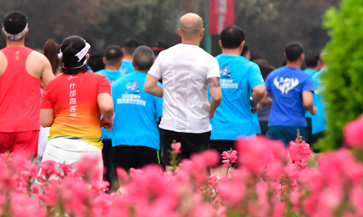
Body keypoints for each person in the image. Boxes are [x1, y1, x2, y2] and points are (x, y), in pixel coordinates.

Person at [144, 13, 221, 164]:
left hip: (170, 126)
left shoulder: (164, 56)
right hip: (198, 127)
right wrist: (211, 109)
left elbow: (149, 86)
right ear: (202, 32)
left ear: (179, 32)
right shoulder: (210, 60)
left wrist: (169, 93)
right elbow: (217, 96)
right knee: (198, 175)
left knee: (172, 172)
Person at [0, 11, 54, 157]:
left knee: (2, 174)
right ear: (27, 32)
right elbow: (54, 89)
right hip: (29, 126)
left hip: (2, 125)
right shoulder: (39, 60)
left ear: (3, 31)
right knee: (24, 173)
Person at [40, 36, 114, 169]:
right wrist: (107, 119)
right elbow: (107, 106)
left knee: (53, 190)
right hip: (88, 150)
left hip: (56, 148)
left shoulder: (52, 84)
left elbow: (45, 121)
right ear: (87, 57)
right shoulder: (100, 80)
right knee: (89, 191)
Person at [209, 26, 267, 157]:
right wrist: (254, 102)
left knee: (218, 175)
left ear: (220, 43)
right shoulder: (250, 67)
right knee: (242, 175)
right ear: (242, 44)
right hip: (243, 132)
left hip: (216, 131)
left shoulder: (211, 64)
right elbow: (259, 90)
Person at [111, 46, 162, 174]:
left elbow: (108, 113)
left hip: (121, 141)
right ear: (153, 64)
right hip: (148, 143)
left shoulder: (116, 84)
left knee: (124, 186)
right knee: (149, 187)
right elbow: (162, 118)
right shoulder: (157, 87)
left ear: (132, 63)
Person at [264, 42, 316, 146]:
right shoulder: (305, 78)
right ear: (302, 57)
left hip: (276, 125)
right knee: (297, 160)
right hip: (296, 126)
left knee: (277, 160)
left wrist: (273, 102)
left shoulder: (273, 75)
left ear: (285, 55)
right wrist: (313, 110)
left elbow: (261, 97)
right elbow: (307, 102)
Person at [97, 45, 123, 187]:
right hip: (118, 133)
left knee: (103, 168)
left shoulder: (97, 77)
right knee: (118, 171)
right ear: (121, 62)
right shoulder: (125, 80)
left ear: (104, 59)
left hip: (100, 132)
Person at [304, 52, 327, 146]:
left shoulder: (311, 79)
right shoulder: (338, 77)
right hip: (335, 121)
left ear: (318, 63)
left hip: (316, 121)